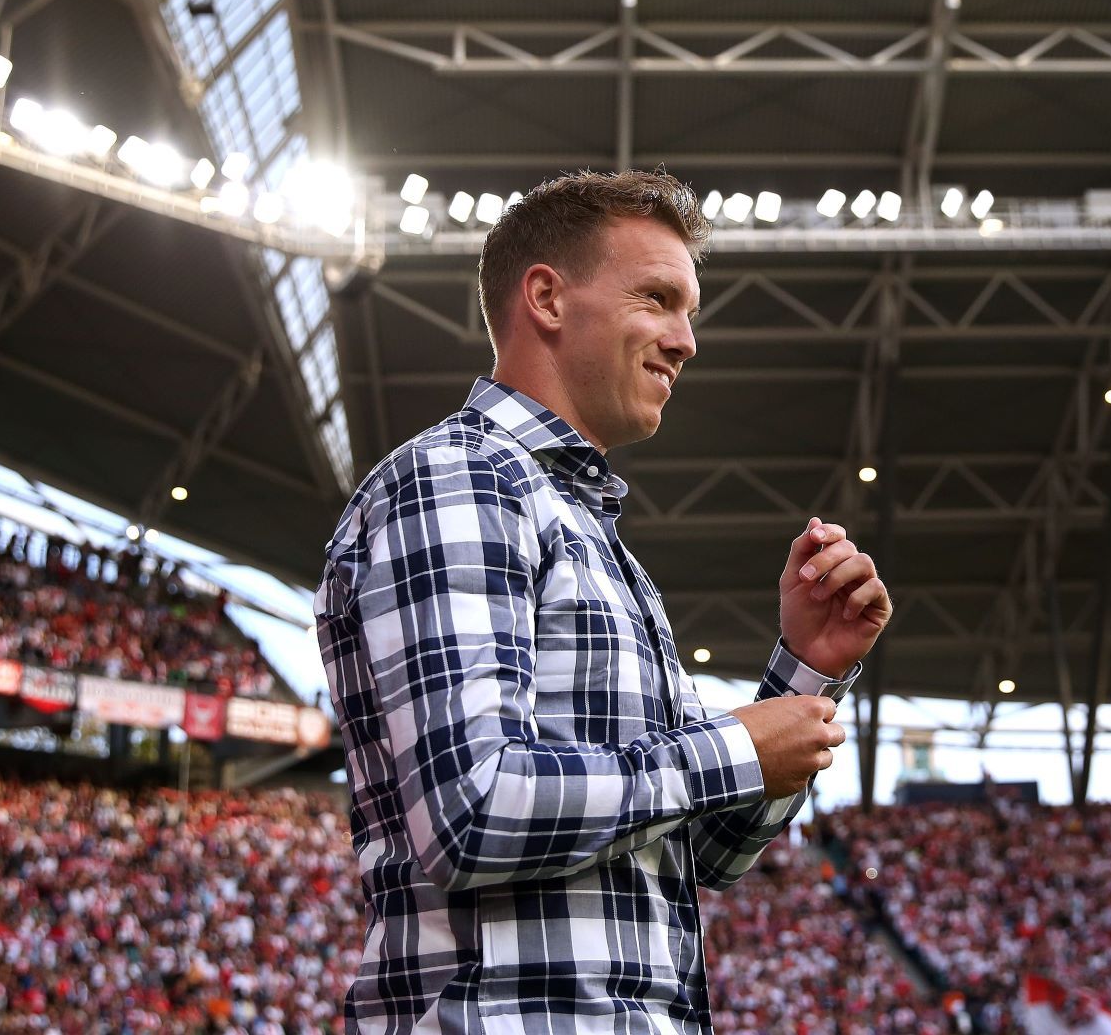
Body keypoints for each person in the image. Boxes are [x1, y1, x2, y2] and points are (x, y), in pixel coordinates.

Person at [313, 169, 893, 1034]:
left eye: (689, 311)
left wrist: (806, 671)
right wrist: (732, 747)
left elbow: (707, 850)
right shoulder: (461, 478)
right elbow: (471, 809)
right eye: (657, 299)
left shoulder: (593, 540)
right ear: (547, 298)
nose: (685, 340)